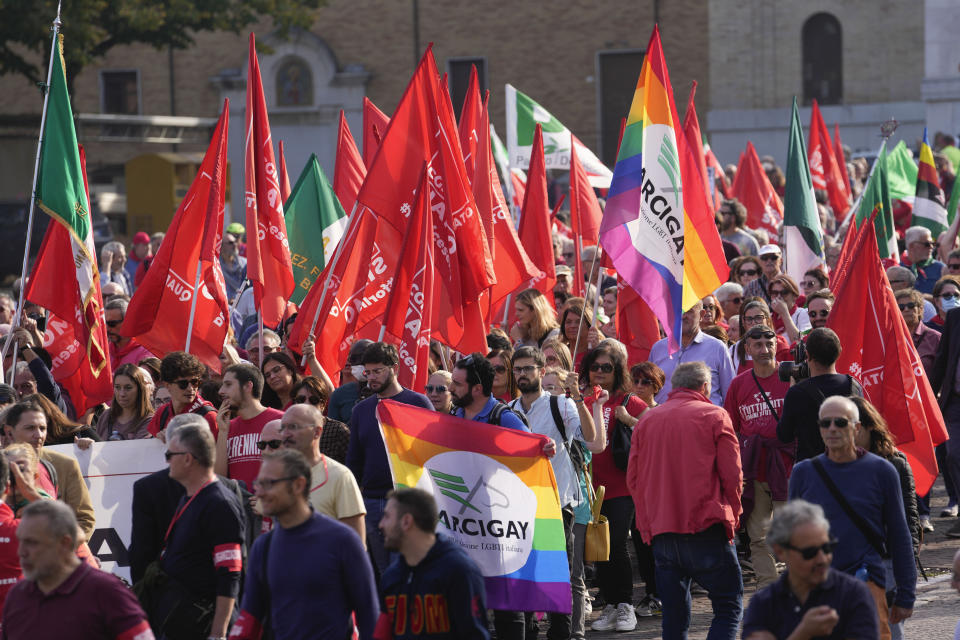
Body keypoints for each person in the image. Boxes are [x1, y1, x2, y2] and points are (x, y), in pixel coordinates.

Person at [627, 362, 744, 640]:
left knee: (674, 617)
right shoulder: (715, 415)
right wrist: (734, 516)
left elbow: (634, 480)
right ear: (705, 387)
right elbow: (733, 475)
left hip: (663, 531)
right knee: (728, 607)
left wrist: (646, 525)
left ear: (673, 386)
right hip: (706, 527)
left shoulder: (647, 421)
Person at [788, 397, 916, 640]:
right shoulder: (803, 473)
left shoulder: (883, 471)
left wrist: (906, 594)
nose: (832, 429)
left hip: (867, 587)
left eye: (840, 422)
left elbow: (900, 534)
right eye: (826, 423)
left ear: (857, 428)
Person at [231, 449, 378, 640]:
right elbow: (249, 618)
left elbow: (369, 614)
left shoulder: (342, 540)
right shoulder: (263, 547)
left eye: (269, 484)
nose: (260, 492)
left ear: (298, 485)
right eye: (258, 483)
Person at [507, 346, 601, 640]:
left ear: (541, 371)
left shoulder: (561, 405)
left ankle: (563, 633)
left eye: (527, 369)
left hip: (557, 504)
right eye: (517, 369)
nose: (522, 374)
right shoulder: (509, 410)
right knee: (525, 574)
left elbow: (592, 440)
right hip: (520, 507)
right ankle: (531, 632)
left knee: (558, 574)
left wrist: (579, 400)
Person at [146, 421, 245, 640]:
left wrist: (218, 634)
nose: (167, 460)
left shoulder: (219, 503)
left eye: (170, 454)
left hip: (204, 625)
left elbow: (230, 573)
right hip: (182, 621)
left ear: (188, 459)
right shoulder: (191, 496)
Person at [2, 500, 154, 640]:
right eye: (20, 541)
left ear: (65, 543)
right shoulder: (17, 596)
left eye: (32, 542)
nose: (21, 551)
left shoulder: (106, 591)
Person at [346, 342, 433, 578]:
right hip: (372, 502)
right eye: (368, 372)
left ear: (394, 368)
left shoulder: (418, 404)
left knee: (409, 571)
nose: (371, 378)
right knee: (383, 574)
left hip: (409, 501)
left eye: (378, 371)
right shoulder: (361, 411)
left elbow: (431, 456)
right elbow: (354, 462)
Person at [582, 343, 649, 632]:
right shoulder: (584, 402)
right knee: (599, 548)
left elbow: (654, 431)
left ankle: (625, 605)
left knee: (618, 543)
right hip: (590, 488)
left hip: (623, 487)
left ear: (617, 370)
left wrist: (629, 418)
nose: (599, 372)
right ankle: (609, 605)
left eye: (606, 367)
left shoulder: (630, 400)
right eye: (595, 366)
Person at [741, 499, 878, 640]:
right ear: (780, 552)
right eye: (810, 552)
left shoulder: (854, 594)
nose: (822, 559)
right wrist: (803, 633)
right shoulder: (763, 604)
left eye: (827, 548)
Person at [724, 325, 792, 588]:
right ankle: (768, 588)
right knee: (758, 537)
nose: (764, 350)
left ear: (776, 345)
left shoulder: (789, 375)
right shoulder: (739, 384)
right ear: (748, 349)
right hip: (754, 470)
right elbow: (731, 428)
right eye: (758, 345)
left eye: (769, 343)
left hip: (787, 468)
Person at [377, 488, 489, 639]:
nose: (381, 525)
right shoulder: (392, 577)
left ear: (406, 522)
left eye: (387, 516)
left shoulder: (460, 571)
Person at [3, 399, 96, 540]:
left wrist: (61, 550)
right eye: (30, 428)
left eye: (42, 428)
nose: (39, 435)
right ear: (9, 432)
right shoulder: (2, 464)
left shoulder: (65, 465)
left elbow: (84, 519)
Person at [279, 403, 365, 543]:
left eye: (293, 427)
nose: (286, 434)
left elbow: (356, 542)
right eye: (283, 428)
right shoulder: (276, 475)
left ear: (317, 432)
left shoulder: (340, 476)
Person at [777, 328, 864, 461]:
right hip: (847, 465)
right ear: (839, 352)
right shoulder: (853, 385)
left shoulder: (797, 393)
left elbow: (784, 436)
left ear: (808, 355)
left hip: (811, 470)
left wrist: (792, 390)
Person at [649, 300, 736, 405]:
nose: (683, 316)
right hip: (664, 419)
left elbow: (730, 395)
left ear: (701, 315)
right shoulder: (658, 348)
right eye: (678, 311)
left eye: (689, 311)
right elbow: (649, 389)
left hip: (704, 419)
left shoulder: (717, 348)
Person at [214, 363, 284, 491]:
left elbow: (296, 468)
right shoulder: (226, 427)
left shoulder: (281, 421)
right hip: (238, 507)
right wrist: (223, 432)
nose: (221, 391)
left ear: (248, 386)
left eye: (228, 384)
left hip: (272, 506)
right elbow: (220, 480)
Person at [931, 306, 960, 538]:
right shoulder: (955, 316)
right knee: (953, 455)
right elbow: (942, 359)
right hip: (955, 402)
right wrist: (929, 395)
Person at [146, 351, 219, 440]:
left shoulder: (208, 416)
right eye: (183, 384)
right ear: (167, 385)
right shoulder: (162, 413)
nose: (190, 388)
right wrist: (157, 438)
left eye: (194, 382)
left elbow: (216, 452)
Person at [450, 353, 528, 431]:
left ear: (477, 388)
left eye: (457, 384)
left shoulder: (504, 418)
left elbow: (530, 442)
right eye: (452, 381)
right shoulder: (454, 412)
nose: (450, 388)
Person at [290, 375, 350, 464]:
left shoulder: (339, 431)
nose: (307, 404)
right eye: (301, 399)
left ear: (323, 405)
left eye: (313, 400)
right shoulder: (288, 430)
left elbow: (351, 467)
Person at [95, 362, 154, 440]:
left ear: (140, 390)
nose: (122, 394)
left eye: (128, 388)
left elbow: (138, 450)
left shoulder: (150, 420)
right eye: (117, 387)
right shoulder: (106, 416)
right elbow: (97, 448)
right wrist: (88, 444)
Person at [327, 338, 373, 423]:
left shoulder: (389, 393)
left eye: (362, 358)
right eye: (354, 359)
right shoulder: (339, 394)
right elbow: (332, 432)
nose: (358, 363)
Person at [104, 298, 153, 371]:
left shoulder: (145, 352)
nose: (107, 329)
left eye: (112, 324)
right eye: (105, 323)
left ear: (128, 321)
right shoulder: (105, 350)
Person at [903, 225, 945, 294]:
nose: (931, 247)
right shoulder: (899, 268)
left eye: (932, 243)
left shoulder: (941, 269)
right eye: (927, 244)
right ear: (911, 246)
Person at [768, 275, 810, 343]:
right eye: (775, 293)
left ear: (795, 296)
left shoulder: (804, 313)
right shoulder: (768, 318)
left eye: (784, 293)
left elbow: (800, 343)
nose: (779, 297)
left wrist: (784, 313)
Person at [219, 231, 247, 303]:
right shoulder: (216, 266)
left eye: (235, 242)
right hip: (222, 305)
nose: (235, 245)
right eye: (230, 243)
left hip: (240, 305)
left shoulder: (244, 264)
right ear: (221, 245)